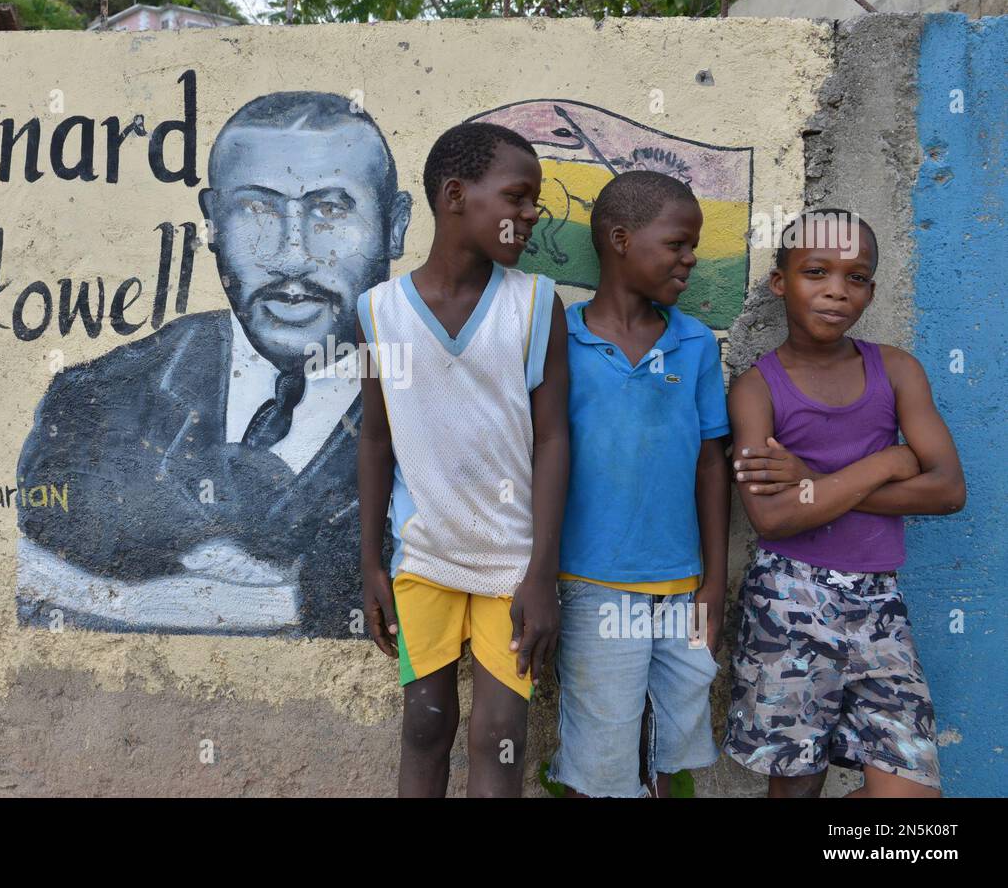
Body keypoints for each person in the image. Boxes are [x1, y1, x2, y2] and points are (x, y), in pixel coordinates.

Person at [16, 91, 412, 636]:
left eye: (329, 210)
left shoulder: (436, 397)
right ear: (211, 223)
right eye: (256, 209)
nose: (291, 254)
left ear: (395, 225)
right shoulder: (98, 397)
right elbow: (50, 506)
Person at [357, 122, 568, 797]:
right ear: (455, 196)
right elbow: (375, 438)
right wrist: (370, 562)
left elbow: (554, 440)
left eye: (533, 201)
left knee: (498, 737)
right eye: (517, 197)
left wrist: (541, 574)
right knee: (424, 725)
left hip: (512, 565)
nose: (531, 214)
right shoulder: (378, 312)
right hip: (425, 559)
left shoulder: (536, 306)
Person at [724, 209, 965, 797]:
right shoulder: (757, 388)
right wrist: (886, 461)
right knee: (799, 786)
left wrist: (814, 479)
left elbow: (947, 491)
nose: (836, 290)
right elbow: (773, 515)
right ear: (780, 281)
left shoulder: (898, 371)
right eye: (816, 271)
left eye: (856, 277)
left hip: (878, 602)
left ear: (871, 291)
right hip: (787, 600)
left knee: (911, 797)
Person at [548, 170, 731, 798]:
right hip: (595, 585)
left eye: (694, 245)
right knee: (600, 754)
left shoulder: (694, 343)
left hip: (682, 590)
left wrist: (713, 581)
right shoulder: (559, 341)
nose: (692, 257)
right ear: (621, 239)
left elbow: (712, 463)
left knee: (670, 751)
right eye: (678, 243)